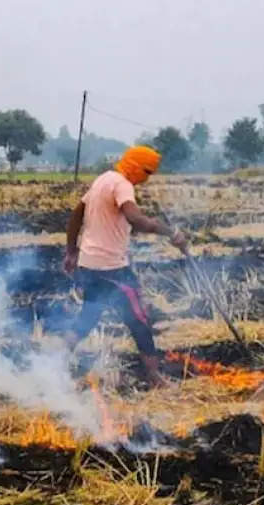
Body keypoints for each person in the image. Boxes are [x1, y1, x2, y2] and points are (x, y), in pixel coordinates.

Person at [61, 145, 188, 388]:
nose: (147, 178)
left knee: (89, 315)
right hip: (111, 268)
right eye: (147, 172)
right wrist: (170, 232)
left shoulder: (103, 180)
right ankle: (154, 376)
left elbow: (77, 215)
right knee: (139, 318)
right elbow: (136, 219)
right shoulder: (122, 184)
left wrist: (71, 251)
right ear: (136, 167)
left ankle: (54, 362)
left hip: (88, 265)